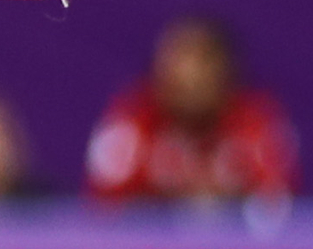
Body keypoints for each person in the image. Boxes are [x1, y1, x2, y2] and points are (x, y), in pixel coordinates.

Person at [88, 15, 299, 209]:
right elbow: (106, 212)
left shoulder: (258, 122)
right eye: (179, 61)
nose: (192, 76)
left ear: (227, 72)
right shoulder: (131, 122)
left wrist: (226, 205)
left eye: (204, 61)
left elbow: (279, 211)